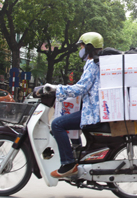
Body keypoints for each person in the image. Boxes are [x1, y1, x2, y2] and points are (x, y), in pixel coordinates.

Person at [43, 32, 103, 178]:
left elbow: (81, 88)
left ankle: (68, 163)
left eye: (81, 46)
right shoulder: (94, 62)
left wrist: (57, 88)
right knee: (67, 119)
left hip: (93, 112)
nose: (80, 50)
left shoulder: (94, 64)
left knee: (57, 124)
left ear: (89, 47)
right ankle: (77, 152)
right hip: (93, 109)